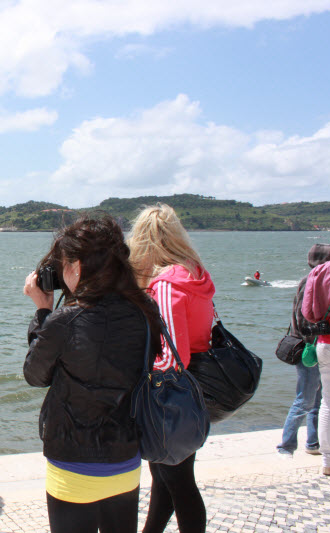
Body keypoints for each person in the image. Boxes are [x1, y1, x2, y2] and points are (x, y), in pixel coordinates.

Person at [23, 215, 161, 533]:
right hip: (125, 459)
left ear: (76, 266)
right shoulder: (144, 311)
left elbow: (35, 375)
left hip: (73, 463)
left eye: (63, 265)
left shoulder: (64, 321)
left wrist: (43, 311)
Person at [127, 203, 215, 533]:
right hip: (194, 390)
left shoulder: (166, 284)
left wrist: (137, 377)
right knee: (166, 476)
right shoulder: (195, 274)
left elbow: (172, 357)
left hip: (171, 394)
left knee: (178, 481)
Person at [276, 244, 330, 457]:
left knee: (317, 400)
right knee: (305, 400)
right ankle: (286, 446)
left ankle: (313, 443)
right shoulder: (312, 282)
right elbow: (303, 320)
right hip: (309, 348)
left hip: (316, 346)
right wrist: (323, 330)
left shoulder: (317, 280)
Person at [302, 229, 330, 476]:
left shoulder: (319, 271)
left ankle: (329, 461)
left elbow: (308, 313)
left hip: (326, 343)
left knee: (329, 404)